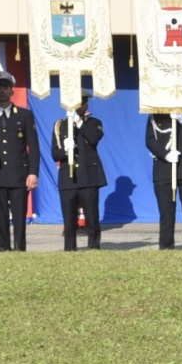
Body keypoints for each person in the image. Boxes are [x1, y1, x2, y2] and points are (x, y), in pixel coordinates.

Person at [0, 72, 37, 252]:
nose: (2, 91)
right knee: (0, 217)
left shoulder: (24, 115)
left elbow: (34, 147)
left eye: (5, 87)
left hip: (19, 175)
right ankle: (3, 249)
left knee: (19, 216)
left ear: (12, 90)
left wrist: (33, 173)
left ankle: (20, 249)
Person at [50, 95, 105, 251]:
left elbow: (93, 138)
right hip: (68, 177)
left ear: (86, 105)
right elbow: (55, 154)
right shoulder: (59, 125)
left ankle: (94, 247)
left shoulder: (94, 123)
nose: (78, 106)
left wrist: (78, 121)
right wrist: (65, 151)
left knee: (91, 216)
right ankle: (69, 248)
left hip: (88, 176)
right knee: (69, 218)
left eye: (81, 103)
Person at [146, 110, 182, 249]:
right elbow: (149, 140)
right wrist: (165, 154)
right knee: (166, 213)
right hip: (164, 168)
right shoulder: (155, 114)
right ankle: (166, 247)